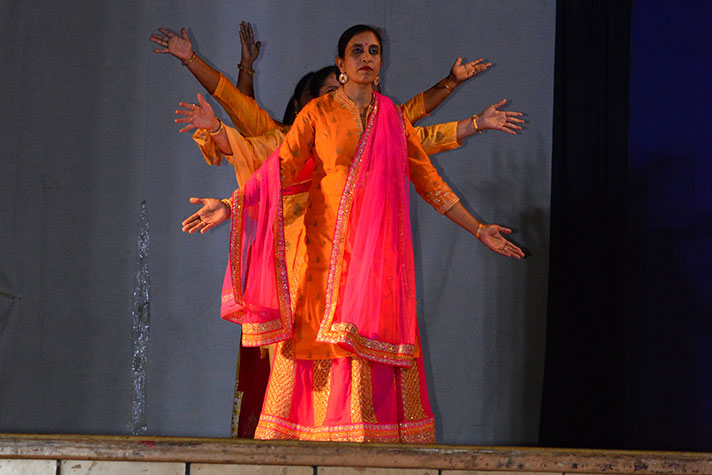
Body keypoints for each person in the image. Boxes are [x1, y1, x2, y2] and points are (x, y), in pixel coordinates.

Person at [181, 24, 525, 443]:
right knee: (317, 343)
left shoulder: (392, 119)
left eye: (374, 51)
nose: (366, 58)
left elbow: (430, 182)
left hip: (376, 264)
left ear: (381, 62)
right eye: (357, 51)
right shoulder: (317, 114)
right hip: (322, 259)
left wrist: (478, 228)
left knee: (368, 345)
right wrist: (232, 205)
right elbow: (279, 171)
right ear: (341, 63)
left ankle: (366, 448)